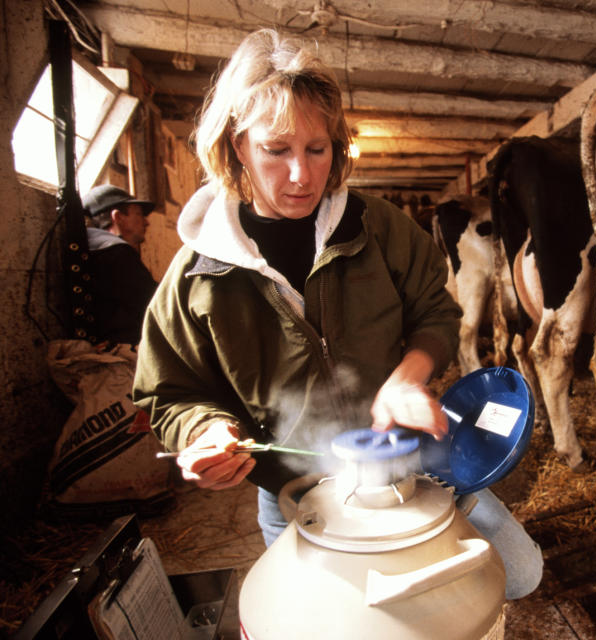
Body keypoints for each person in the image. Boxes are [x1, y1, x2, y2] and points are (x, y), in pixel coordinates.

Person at [132, 28, 542, 599]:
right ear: (236, 145)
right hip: (298, 490)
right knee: (341, 617)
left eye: (316, 149)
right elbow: (168, 391)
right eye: (276, 150)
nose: (301, 175)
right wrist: (205, 429)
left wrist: (409, 376)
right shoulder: (197, 276)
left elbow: (435, 310)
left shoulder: (379, 227)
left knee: (521, 574)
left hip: (412, 464)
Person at [82, 184, 158, 345]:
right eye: (138, 214)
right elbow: (156, 304)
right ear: (118, 217)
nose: (146, 222)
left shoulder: (91, 247)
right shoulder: (116, 253)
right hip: (125, 348)